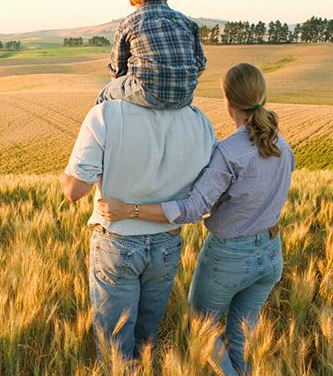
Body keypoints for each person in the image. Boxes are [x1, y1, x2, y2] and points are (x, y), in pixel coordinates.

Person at [97, 63, 294, 375]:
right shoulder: (282, 145)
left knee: (204, 325)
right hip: (271, 253)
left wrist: (129, 210)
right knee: (243, 334)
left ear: (228, 100)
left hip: (230, 256)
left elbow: (191, 208)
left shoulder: (229, 153)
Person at [60, 97, 216, 359]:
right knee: (146, 340)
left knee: (115, 349)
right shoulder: (199, 121)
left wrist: (64, 176)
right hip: (167, 243)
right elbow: (204, 196)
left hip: (118, 243)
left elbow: (75, 191)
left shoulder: (106, 114)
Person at [96, 0, 207, 109]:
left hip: (146, 92)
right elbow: (200, 65)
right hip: (185, 97)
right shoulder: (186, 23)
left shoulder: (129, 23)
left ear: (131, 0)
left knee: (104, 94)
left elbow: (117, 70)